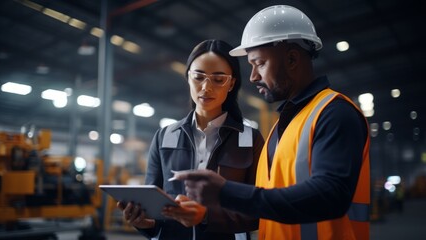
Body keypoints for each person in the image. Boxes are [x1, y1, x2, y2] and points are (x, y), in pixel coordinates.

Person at [172, 5, 371, 240]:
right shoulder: (283, 126)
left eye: (260, 63)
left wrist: (226, 192)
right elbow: (269, 204)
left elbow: (330, 196)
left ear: (292, 58)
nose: (254, 76)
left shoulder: (335, 114)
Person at [117, 39, 264, 240]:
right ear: (188, 78)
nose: (206, 87)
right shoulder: (164, 137)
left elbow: (259, 210)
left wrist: (206, 217)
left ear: (231, 83)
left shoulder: (249, 140)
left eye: (218, 79)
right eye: (198, 77)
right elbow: (153, 208)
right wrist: (145, 224)